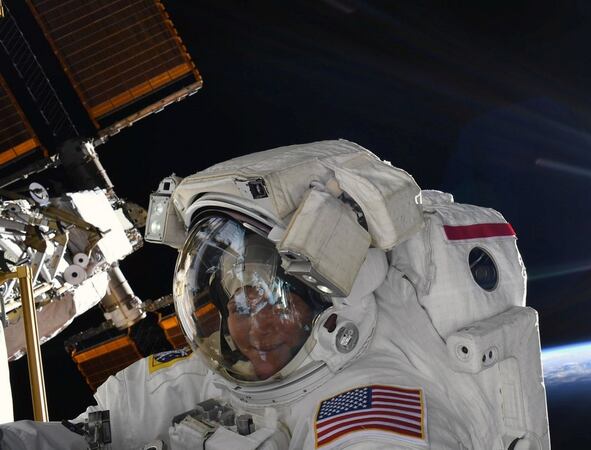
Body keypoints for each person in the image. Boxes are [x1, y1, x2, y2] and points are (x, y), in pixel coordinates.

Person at [1, 140, 550, 449]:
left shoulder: (374, 403)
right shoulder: (199, 378)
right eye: (237, 305)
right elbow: (81, 440)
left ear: (330, 299)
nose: (252, 326)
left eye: (271, 299)